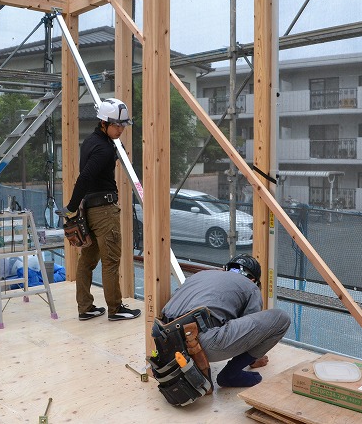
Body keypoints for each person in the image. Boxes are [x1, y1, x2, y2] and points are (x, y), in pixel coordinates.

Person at [61, 98, 141, 322]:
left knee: (87, 260)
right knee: (111, 260)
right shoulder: (104, 149)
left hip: (90, 210)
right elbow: (85, 177)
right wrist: (71, 207)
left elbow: (95, 170)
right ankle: (115, 309)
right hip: (104, 211)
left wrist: (76, 207)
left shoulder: (91, 142)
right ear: (104, 123)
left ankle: (85, 308)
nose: (122, 129)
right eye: (118, 125)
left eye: (123, 125)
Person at [160, 254, 291, 388]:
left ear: (226, 269)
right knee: (281, 318)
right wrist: (253, 359)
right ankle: (231, 375)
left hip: (165, 341)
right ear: (252, 279)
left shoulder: (200, 275)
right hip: (201, 342)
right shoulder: (250, 286)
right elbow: (252, 331)